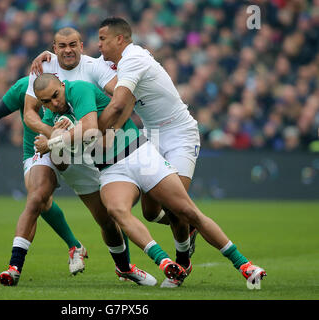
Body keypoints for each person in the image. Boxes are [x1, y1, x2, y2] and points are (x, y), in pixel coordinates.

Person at [96, 17, 266, 287]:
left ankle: (185, 264)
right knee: (150, 213)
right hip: (151, 135)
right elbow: (82, 65)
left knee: (179, 208)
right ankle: (190, 230)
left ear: (120, 39)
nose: (99, 45)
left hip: (179, 134)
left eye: (103, 39)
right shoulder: (110, 63)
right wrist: (50, 59)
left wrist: (88, 133)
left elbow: (118, 106)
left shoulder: (134, 58)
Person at [18, 27, 157, 286]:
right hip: (57, 146)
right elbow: (28, 114)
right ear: (54, 47)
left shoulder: (94, 68)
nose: (68, 50)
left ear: (82, 46)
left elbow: (123, 97)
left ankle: (124, 267)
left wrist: (108, 130)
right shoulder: (41, 70)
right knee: (37, 194)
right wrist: (54, 138)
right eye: (62, 46)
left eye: (73, 44)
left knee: (108, 217)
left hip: (91, 151)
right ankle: (15, 267)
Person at [34, 74, 189, 284]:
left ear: (62, 85)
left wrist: (55, 141)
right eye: (46, 101)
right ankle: (131, 267)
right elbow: (62, 164)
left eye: (55, 96)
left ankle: (194, 254)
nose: (54, 103)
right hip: (98, 166)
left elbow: (93, 124)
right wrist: (53, 143)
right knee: (108, 220)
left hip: (131, 150)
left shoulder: (84, 81)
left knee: (163, 211)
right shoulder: (50, 119)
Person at [0, 76, 89, 281]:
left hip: (77, 148)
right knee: (38, 198)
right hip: (38, 152)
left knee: (104, 205)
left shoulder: (74, 84)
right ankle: (16, 267)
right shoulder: (24, 87)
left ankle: (121, 263)